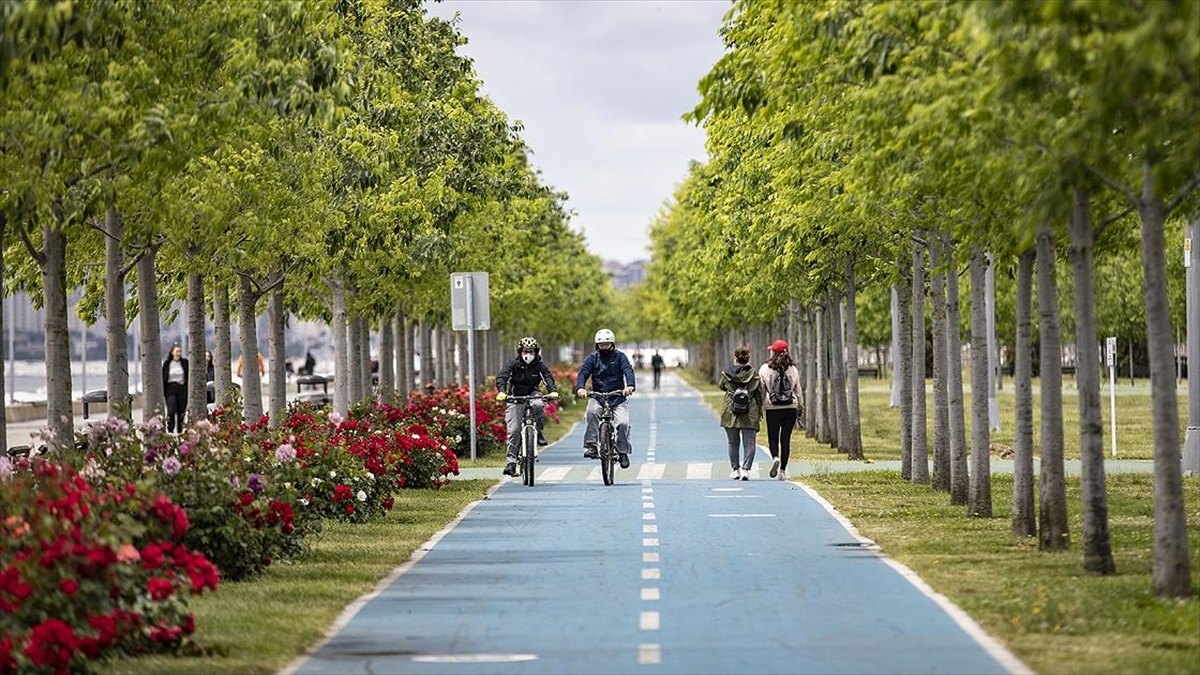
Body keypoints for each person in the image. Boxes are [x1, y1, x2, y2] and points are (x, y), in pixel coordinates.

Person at [495, 337, 560, 477]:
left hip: (533, 393)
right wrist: (501, 391)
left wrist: (552, 390)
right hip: (515, 397)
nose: (528, 354)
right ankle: (511, 463)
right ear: (520, 351)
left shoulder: (539, 365)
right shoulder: (513, 364)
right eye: (525, 351)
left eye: (531, 351)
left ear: (536, 352)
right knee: (514, 430)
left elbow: (548, 377)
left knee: (538, 404)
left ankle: (539, 433)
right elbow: (502, 377)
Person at [575, 328, 636, 469]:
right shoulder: (592, 358)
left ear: (612, 344)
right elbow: (583, 372)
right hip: (598, 396)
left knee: (623, 423)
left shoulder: (620, 357)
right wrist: (581, 388)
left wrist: (630, 386)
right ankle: (591, 445)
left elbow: (628, 370)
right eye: (601, 345)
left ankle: (622, 452)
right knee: (591, 413)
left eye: (606, 344)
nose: (604, 347)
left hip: (617, 397)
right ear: (597, 345)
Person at [759, 340, 802, 481]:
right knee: (785, 439)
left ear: (773, 352)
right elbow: (798, 391)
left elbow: (761, 390)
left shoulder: (765, 369)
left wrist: (759, 406)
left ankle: (775, 458)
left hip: (773, 408)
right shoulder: (793, 369)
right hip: (790, 408)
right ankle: (783, 471)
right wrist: (800, 406)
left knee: (773, 437)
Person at [719, 344, 763, 481]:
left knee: (733, 443)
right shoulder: (754, 374)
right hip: (750, 412)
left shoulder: (727, 373)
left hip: (730, 411)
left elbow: (721, 386)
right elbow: (759, 393)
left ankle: (735, 469)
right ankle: (746, 470)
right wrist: (760, 410)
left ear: (735, 358)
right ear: (748, 359)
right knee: (749, 442)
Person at [162, 343, 189, 433]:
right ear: (172, 352)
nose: (179, 353)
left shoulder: (185, 362)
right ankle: (170, 429)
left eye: (180, 351)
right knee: (171, 410)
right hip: (170, 389)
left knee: (181, 411)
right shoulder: (167, 364)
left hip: (182, 389)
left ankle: (179, 429)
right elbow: (163, 377)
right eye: (177, 351)